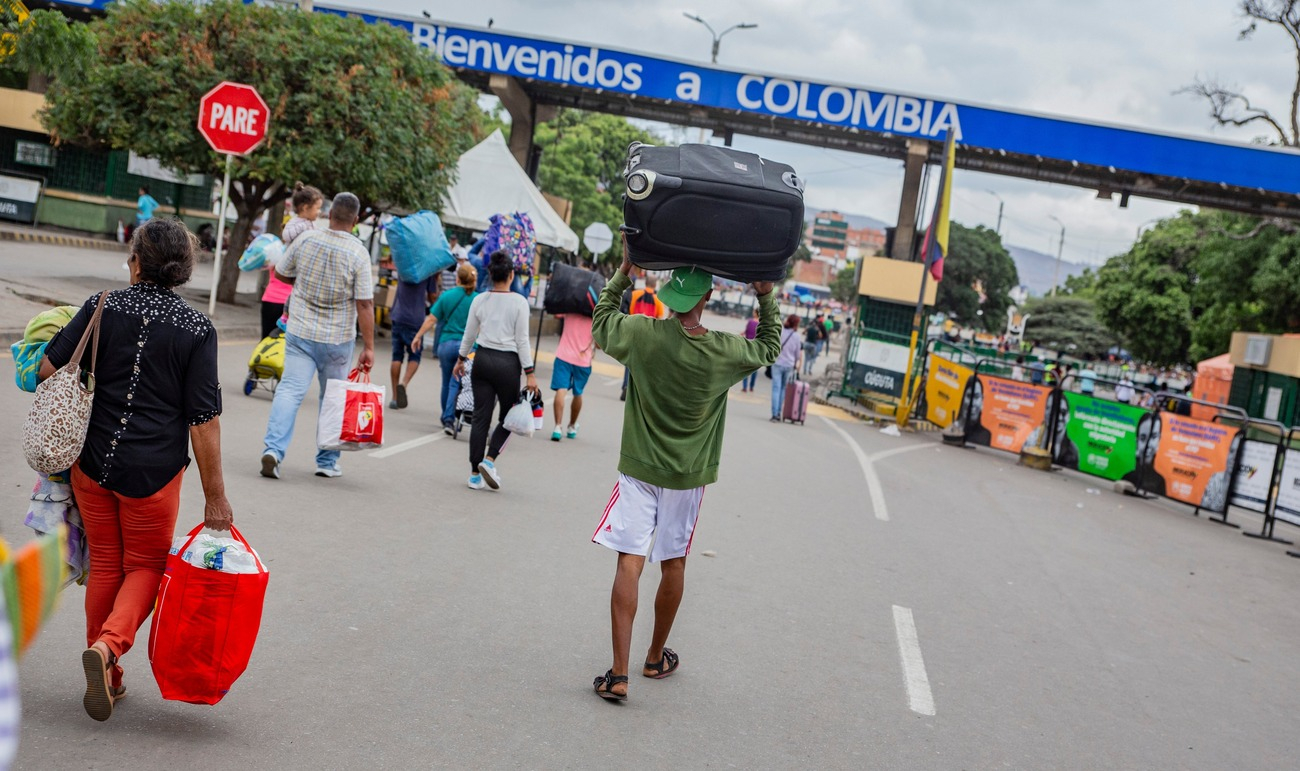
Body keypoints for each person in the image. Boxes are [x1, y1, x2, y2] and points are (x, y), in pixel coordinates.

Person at [38, 219, 231, 722]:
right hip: (154, 475)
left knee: (105, 564)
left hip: (94, 465)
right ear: (183, 271)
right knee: (145, 567)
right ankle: (107, 650)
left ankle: (109, 674)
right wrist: (216, 497)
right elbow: (203, 420)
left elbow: (47, 368)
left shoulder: (103, 306)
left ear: (138, 262)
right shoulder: (197, 329)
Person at [588, 242, 780, 702]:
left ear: (671, 298)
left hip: (639, 470)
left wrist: (624, 272)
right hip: (687, 479)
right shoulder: (723, 352)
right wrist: (765, 294)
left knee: (628, 562)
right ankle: (654, 658)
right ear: (706, 299)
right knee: (673, 561)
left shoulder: (642, 334)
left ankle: (618, 674)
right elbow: (770, 346)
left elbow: (600, 322)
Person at [260, 192, 375, 480]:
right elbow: (364, 303)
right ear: (356, 219)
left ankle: (273, 451)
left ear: (330, 214)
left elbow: (283, 274)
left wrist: (303, 280)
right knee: (333, 398)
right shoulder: (359, 253)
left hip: (300, 330)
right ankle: (326, 461)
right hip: (337, 338)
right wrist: (369, 347)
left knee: (289, 390)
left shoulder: (307, 240)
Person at [455, 250, 538, 490]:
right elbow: (522, 341)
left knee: (480, 417)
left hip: (482, 359)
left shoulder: (479, 300)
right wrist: (530, 372)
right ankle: (490, 460)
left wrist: (461, 360)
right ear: (511, 275)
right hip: (507, 365)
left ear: (489, 274)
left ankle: (473, 475)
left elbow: (469, 334)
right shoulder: (519, 302)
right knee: (508, 416)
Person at [414, 261, 478, 434]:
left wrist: (418, 336)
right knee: (458, 383)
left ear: (457, 278)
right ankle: (455, 417)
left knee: (447, 382)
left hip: (446, 345)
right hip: (469, 348)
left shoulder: (447, 296)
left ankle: (447, 418)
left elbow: (431, 319)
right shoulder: (478, 300)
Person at [260, 183, 323, 339]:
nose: (320, 212)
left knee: (266, 343)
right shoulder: (296, 230)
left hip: (271, 301)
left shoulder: (278, 255)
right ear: (304, 207)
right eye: (318, 208)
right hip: (292, 303)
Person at [387, 269, 440, 410]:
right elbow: (432, 296)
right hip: (416, 319)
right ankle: (403, 383)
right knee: (415, 355)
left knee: (396, 356)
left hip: (398, 315)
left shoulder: (403, 266)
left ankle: (394, 398)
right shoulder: (426, 271)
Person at [550, 309, 596, 442]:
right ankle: (571, 427)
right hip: (583, 360)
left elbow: (555, 314)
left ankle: (557, 427)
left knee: (561, 390)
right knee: (578, 393)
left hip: (563, 356)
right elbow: (599, 345)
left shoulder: (570, 309)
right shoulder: (593, 315)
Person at [619, 275, 666, 401]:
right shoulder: (658, 300)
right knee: (644, 365)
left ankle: (625, 386)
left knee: (629, 362)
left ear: (645, 282)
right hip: (649, 336)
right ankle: (639, 393)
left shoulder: (635, 294)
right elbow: (660, 320)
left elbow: (627, 310)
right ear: (655, 285)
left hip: (633, 332)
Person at [771, 314, 804, 422]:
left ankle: (774, 414)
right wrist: (796, 364)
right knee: (783, 389)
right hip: (789, 365)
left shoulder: (780, 331)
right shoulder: (797, 336)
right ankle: (779, 412)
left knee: (776, 388)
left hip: (777, 363)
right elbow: (797, 354)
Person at [740, 306, 760, 392]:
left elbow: (747, 332)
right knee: (754, 368)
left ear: (756, 313)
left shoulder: (750, 322)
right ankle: (751, 387)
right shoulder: (761, 324)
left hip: (748, 346)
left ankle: (744, 387)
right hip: (757, 348)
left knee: (746, 367)